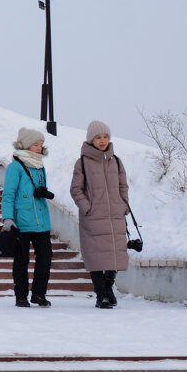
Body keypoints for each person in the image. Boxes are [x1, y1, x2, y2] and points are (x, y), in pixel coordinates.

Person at [70, 120, 130, 309]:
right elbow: (76, 190)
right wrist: (88, 208)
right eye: (98, 137)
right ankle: (101, 295)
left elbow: (123, 186)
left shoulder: (116, 161)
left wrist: (123, 205)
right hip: (94, 218)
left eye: (105, 137)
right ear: (91, 140)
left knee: (114, 256)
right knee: (96, 258)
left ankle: (107, 289)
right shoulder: (83, 162)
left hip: (115, 217)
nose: (102, 141)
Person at [1, 127, 54, 308]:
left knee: (45, 259)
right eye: (35, 145)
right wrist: (8, 218)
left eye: (41, 145)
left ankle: (39, 294)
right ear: (25, 146)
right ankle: (21, 296)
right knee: (21, 261)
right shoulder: (15, 167)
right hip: (21, 223)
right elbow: (8, 194)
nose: (39, 148)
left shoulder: (40, 166)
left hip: (41, 221)